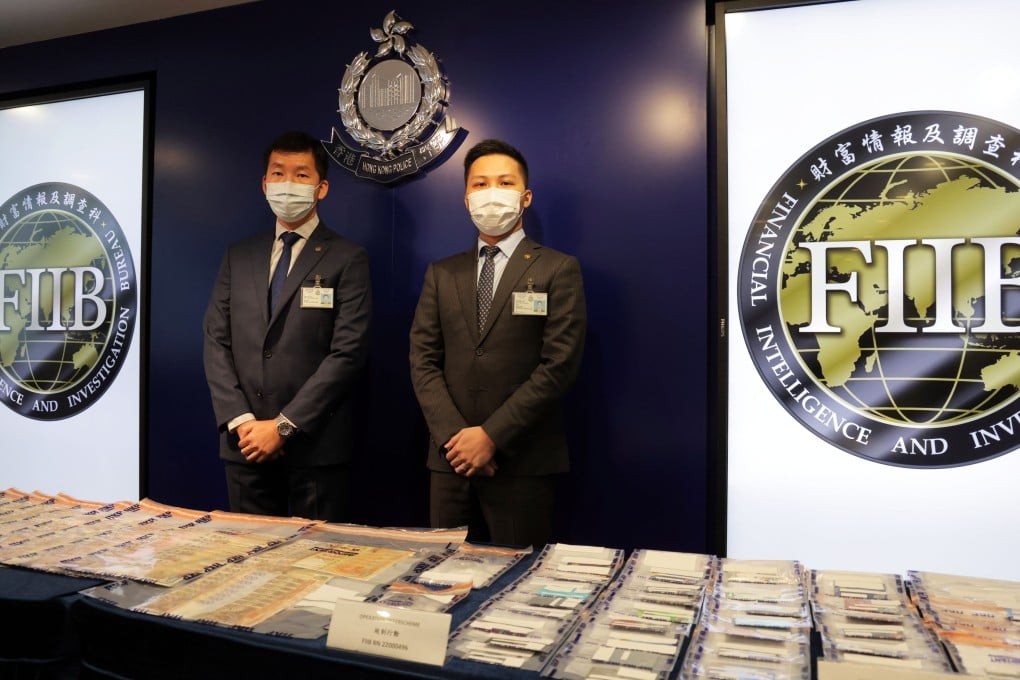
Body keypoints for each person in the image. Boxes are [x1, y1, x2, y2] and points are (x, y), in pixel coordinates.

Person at [409, 139, 587, 548]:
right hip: (449, 460)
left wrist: (490, 436)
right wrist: (458, 439)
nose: (492, 193)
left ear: (525, 197)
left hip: (522, 460)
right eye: (481, 183)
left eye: (504, 182)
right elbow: (422, 360)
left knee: (517, 586)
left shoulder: (558, 268)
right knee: (443, 582)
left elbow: (558, 366)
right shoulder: (442, 273)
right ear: (467, 198)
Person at [203, 131, 371, 522]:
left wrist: (282, 427)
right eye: (278, 174)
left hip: (315, 446)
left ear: (321, 187)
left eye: (300, 175)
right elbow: (215, 340)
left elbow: (348, 353)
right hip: (244, 444)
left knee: (316, 569)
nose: (287, 184)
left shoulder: (348, 258)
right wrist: (243, 421)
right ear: (265, 184)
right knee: (250, 565)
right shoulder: (238, 255)